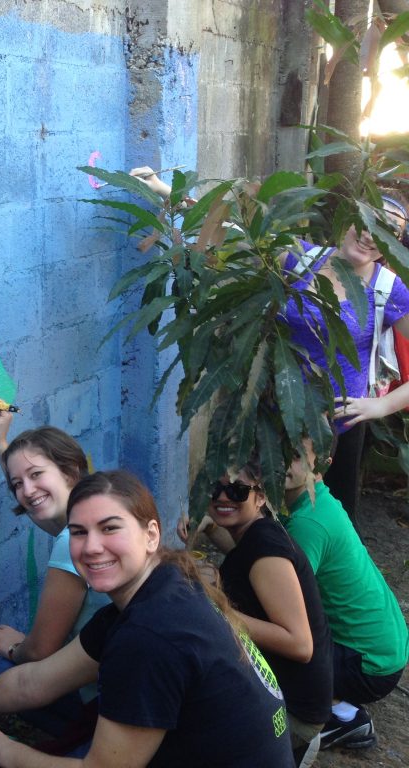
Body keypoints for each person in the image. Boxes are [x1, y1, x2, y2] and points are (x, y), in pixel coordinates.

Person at [136, 166, 409, 533]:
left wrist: (381, 405)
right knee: (262, 520)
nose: (369, 236)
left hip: (338, 429)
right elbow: (232, 230)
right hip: (272, 411)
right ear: (350, 218)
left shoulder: (388, 291)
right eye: (367, 220)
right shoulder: (302, 258)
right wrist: (165, 190)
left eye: (387, 231)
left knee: (326, 527)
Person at [0, 470, 295, 768]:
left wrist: (1, 748)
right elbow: (34, 682)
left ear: (151, 535)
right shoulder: (163, 587)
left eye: (110, 528)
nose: (92, 547)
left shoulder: (150, 635)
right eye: (78, 532)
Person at [0, 414, 110, 751]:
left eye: (37, 474)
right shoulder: (95, 512)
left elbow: (41, 650)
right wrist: (0, 443)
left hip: (110, 702)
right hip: (111, 685)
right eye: (17, 484)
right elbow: (41, 506)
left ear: (69, 472)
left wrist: (14, 647)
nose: (26, 491)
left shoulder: (74, 541)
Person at [282, 438, 408, 750]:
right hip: (383, 651)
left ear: (321, 463)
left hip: (369, 665)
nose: (284, 462)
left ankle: (341, 717)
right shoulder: (316, 501)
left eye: (296, 456)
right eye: (277, 450)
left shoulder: (308, 524)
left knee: (270, 650)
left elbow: (280, 599)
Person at [205, 461, 332, 766]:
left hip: (293, 714)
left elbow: (299, 644)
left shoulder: (265, 546)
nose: (223, 497)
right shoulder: (255, 536)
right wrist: (209, 526)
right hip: (283, 697)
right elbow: (244, 563)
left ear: (261, 497)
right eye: (215, 489)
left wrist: (213, 601)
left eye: (237, 490)